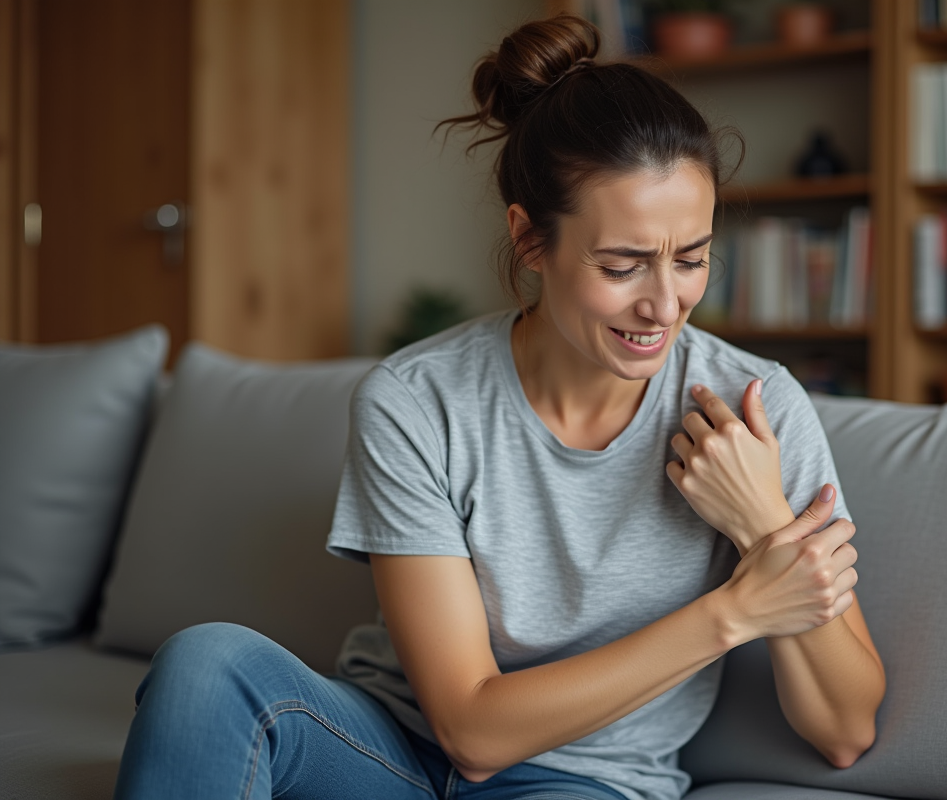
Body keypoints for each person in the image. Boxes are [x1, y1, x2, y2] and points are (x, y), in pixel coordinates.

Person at [113, 14, 885, 800]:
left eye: (692, 258)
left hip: (583, 783)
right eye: (623, 265)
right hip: (389, 751)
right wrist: (736, 612)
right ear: (529, 239)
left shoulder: (756, 411)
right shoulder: (416, 402)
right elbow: (471, 732)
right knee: (206, 665)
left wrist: (763, 526)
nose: (665, 303)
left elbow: (845, 730)